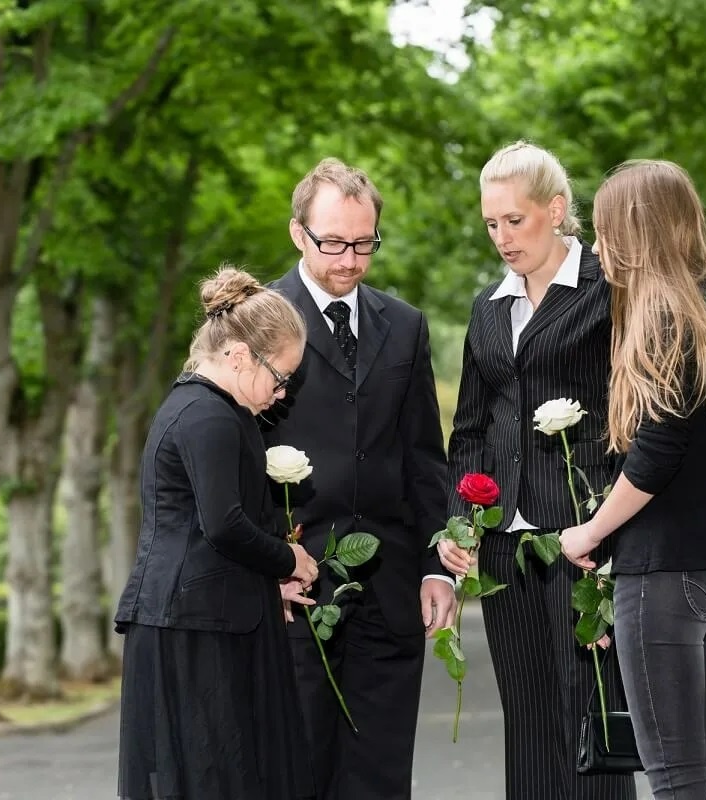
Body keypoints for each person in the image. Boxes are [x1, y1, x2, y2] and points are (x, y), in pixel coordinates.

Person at [439, 141, 636, 800]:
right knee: (527, 721)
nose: (501, 237)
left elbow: (634, 420)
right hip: (503, 549)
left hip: (583, 542)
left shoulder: (611, 291)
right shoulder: (488, 309)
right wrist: (462, 528)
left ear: (555, 210)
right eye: (490, 223)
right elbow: (469, 431)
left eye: (513, 221)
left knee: (589, 720)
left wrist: (612, 534)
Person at [261, 157, 454, 800]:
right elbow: (232, 457)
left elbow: (425, 456)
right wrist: (267, 564)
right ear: (298, 234)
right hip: (296, 587)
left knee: (380, 775)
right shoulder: (253, 323)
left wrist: (436, 566)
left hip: (391, 590)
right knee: (297, 769)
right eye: (334, 242)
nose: (350, 259)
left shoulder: (405, 326)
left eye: (364, 243)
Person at [560, 159, 706, 800]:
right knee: (692, 775)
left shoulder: (662, 320)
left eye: (607, 230)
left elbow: (657, 455)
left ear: (637, 234)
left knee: (674, 779)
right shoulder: (705, 316)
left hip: (666, 576)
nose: (597, 246)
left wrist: (590, 532)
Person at [114, 266, 321, 800]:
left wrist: (266, 583)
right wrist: (287, 560)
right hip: (191, 626)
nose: (280, 395)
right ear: (237, 356)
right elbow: (223, 525)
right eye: (280, 378)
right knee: (210, 776)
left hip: (198, 615)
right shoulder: (208, 416)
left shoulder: (206, 409)